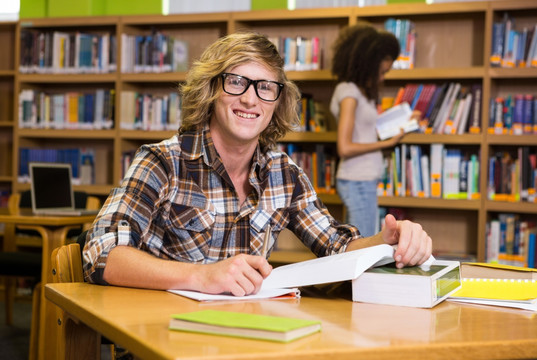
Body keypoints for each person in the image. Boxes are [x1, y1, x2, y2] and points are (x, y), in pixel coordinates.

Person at [83, 31, 432, 297]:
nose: (251, 98)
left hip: (248, 335)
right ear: (210, 89)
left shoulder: (285, 174)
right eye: (236, 82)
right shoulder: (162, 162)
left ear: (277, 101)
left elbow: (336, 246)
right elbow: (100, 254)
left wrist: (389, 240)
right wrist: (201, 275)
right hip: (163, 335)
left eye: (265, 87)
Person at [330, 23, 415, 237]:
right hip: (356, 180)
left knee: (362, 241)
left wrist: (404, 120)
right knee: (362, 244)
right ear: (371, 63)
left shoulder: (359, 91)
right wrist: (387, 143)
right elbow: (345, 147)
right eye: (383, 71)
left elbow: (366, 131)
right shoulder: (349, 93)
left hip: (363, 180)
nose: (383, 77)